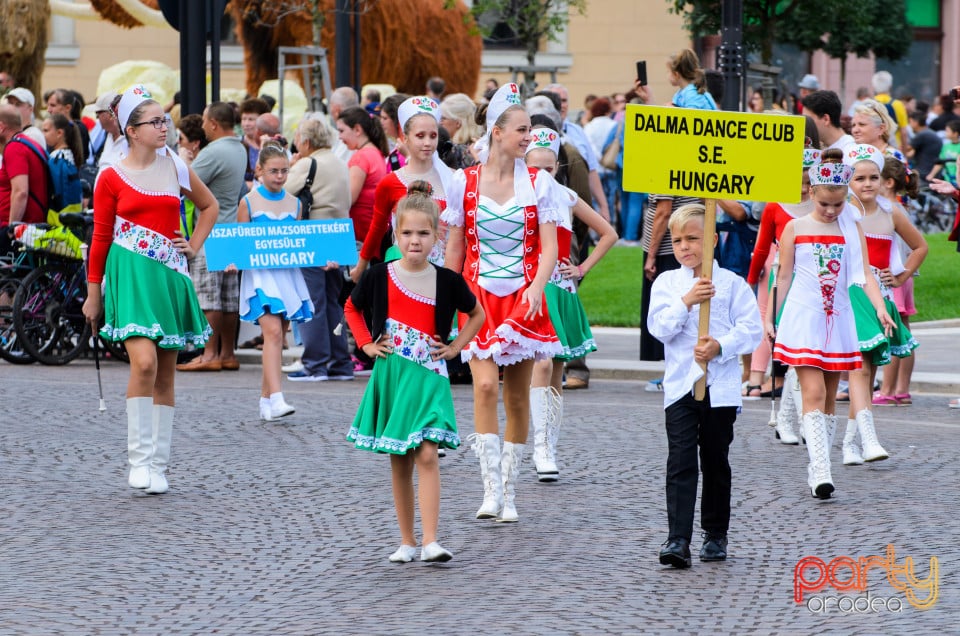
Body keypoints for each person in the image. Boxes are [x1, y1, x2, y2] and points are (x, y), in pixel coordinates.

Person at [82, 85, 219, 495]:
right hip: (131, 273)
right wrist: (93, 293)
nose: (165, 127)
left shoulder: (175, 165)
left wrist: (192, 246)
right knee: (143, 363)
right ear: (131, 130)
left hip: (169, 274)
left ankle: (159, 465)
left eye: (166, 120)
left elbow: (208, 206)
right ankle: (138, 460)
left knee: (165, 372)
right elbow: (101, 237)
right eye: (155, 122)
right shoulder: (110, 177)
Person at [443, 82, 567, 523]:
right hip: (477, 296)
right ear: (496, 132)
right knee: (483, 386)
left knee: (517, 399)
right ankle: (490, 488)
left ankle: (510, 491)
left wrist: (537, 285)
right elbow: (455, 246)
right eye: (520, 130)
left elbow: (550, 246)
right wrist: (447, 298)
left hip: (522, 298)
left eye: (529, 130)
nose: (528, 137)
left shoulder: (539, 183)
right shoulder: (464, 182)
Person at [345, 182, 484, 563]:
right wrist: (367, 344)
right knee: (401, 457)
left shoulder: (448, 280)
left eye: (423, 233)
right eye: (407, 233)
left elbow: (477, 314)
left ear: (437, 235)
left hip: (430, 378)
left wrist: (455, 348)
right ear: (395, 233)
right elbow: (351, 308)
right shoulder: (378, 276)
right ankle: (407, 540)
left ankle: (431, 540)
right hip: (393, 377)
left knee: (426, 454)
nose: (415, 240)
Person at [767, 149, 894, 499]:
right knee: (815, 391)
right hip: (804, 317)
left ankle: (818, 465)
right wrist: (770, 316)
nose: (831, 211)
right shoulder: (795, 227)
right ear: (812, 194)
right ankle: (821, 471)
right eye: (825, 204)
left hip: (838, 320)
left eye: (838, 205)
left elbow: (864, 273)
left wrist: (879, 307)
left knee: (827, 401)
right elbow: (783, 275)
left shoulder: (851, 227)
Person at [648, 203, 761, 568]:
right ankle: (677, 538)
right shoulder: (668, 283)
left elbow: (751, 330)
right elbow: (659, 329)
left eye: (692, 238)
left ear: (711, 239)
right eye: (677, 240)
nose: (683, 247)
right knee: (680, 461)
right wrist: (686, 302)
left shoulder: (732, 284)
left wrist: (721, 346)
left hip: (720, 386)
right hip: (681, 386)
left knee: (715, 459)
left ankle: (715, 534)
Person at [524, 127, 617, 481]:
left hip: (561, 289)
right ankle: (538, 445)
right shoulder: (518, 195)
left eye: (549, 169)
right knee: (543, 362)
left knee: (557, 369)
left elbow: (609, 233)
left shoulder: (565, 196)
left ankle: (549, 445)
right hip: (533, 287)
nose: (542, 175)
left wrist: (580, 268)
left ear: (558, 167)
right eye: (535, 168)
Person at [234, 142, 314, 420]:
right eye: (273, 171)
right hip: (260, 276)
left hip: (287, 275)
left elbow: (301, 243)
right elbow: (239, 241)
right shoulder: (249, 202)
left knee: (278, 335)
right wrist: (235, 261)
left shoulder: (295, 203)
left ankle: (266, 401)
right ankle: (278, 398)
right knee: (273, 333)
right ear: (260, 170)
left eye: (284, 171)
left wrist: (323, 257)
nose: (279, 177)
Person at [745, 149, 819, 440]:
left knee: (801, 338)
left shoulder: (821, 206)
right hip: (779, 271)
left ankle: (790, 410)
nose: (802, 189)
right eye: (796, 182)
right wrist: (752, 277)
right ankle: (756, 377)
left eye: (807, 182)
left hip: (812, 273)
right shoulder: (775, 206)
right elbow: (763, 244)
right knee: (771, 324)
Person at [851, 152, 926, 415]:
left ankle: (860, 425)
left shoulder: (891, 211)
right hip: (849, 295)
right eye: (860, 178)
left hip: (878, 297)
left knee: (868, 366)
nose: (868, 184)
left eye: (874, 178)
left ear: (884, 181)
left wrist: (901, 277)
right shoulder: (841, 210)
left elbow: (919, 247)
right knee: (853, 365)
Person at [176, 102, 248, 373]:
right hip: (232, 230)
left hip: (211, 232)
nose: (203, 126)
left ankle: (209, 354)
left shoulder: (214, 151)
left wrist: (184, 159)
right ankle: (228, 353)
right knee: (229, 299)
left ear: (215, 124)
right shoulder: (239, 148)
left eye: (205, 121)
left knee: (209, 298)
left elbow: (184, 181)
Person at [352, 95, 453, 283]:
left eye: (433, 136)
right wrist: (361, 265)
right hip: (401, 269)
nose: (427, 143)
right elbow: (377, 227)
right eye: (420, 136)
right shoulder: (390, 182)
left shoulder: (453, 180)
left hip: (443, 271)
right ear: (405, 139)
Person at [284, 115, 354, 382]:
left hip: (313, 236)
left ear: (306, 140)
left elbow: (285, 192)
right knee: (334, 302)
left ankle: (316, 364)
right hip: (339, 236)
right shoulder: (339, 162)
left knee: (312, 301)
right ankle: (340, 364)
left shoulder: (308, 163)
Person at [543, 83, 611, 223]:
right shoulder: (534, 132)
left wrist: (604, 206)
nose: (561, 105)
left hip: (579, 211)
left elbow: (592, 170)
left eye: (564, 100)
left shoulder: (577, 131)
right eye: (556, 100)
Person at [0, 104, 49, 257]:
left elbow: (20, 192)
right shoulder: (27, 142)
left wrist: (11, 229)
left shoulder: (15, 148)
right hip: (26, 227)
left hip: (18, 230)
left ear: (1, 127)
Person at [41, 113, 84, 213]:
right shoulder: (68, 155)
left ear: (59, 133)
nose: (43, 134)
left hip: (59, 215)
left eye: (46, 130)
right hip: (73, 213)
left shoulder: (56, 158)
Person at [872, 71, 909, 149]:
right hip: (894, 147)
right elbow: (904, 132)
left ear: (874, 86)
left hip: (874, 147)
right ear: (890, 86)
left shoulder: (869, 104)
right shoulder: (898, 104)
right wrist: (904, 155)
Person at [239, 98, 271, 185]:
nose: (246, 124)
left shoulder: (271, 145)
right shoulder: (237, 144)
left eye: (251, 119)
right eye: (244, 119)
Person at [906, 111, 943, 185]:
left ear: (916, 122)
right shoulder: (929, 133)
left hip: (923, 173)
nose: (910, 125)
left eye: (910, 122)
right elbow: (911, 153)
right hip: (930, 172)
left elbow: (906, 149)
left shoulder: (922, 134)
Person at [928, 120, 960, 186]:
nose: (945, 133)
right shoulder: (946, 146)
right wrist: (931, 174)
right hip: (948, 179)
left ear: (955, 133)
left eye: (947, 131)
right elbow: (940, 162)